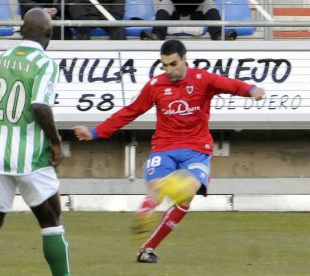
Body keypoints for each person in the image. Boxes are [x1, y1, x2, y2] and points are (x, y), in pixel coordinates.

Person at [74, 39, 264, 263]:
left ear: (185, 59)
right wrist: (96, 132)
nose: (169, 70)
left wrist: (251, 89)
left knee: (186, 195)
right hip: (164, 148)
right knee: (158, 191)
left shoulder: (203, 79)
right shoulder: (155, 85)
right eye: (164, 65)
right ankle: (149, 209)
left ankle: (147, 248)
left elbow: (231, 85)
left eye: (173, 64)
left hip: (195, 149)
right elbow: (130, 112)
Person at [0, 8, 70, 276]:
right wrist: (56, 143)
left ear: (22, 30)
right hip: (31, 158)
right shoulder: (45, 63)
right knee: (52, 221)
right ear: (49, 34)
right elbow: (40, 107)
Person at [140, 0, 236, 41]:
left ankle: (219, 35)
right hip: (175, 15)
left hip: (196, 15)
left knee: (209, 2)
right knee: (165, 2)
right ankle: (157, 35)